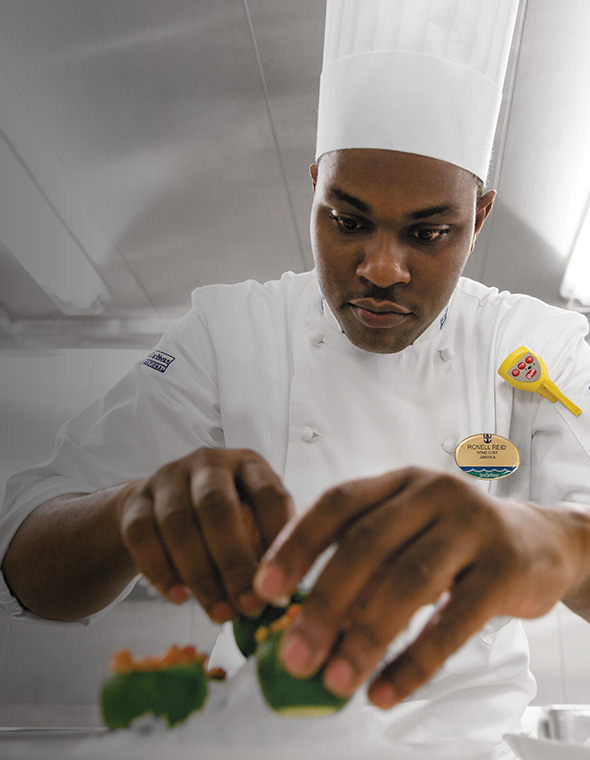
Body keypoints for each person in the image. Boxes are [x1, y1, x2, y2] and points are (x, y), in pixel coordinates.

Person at [2, 0, 590, 753]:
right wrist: (132, 506)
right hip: (247, 743)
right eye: (347, 221)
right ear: (315, 187)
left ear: (479, 217)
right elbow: (23, 559)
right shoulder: (228, 332)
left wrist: (555, 540)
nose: (381, 268)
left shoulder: (539, 349)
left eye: (428, 232)